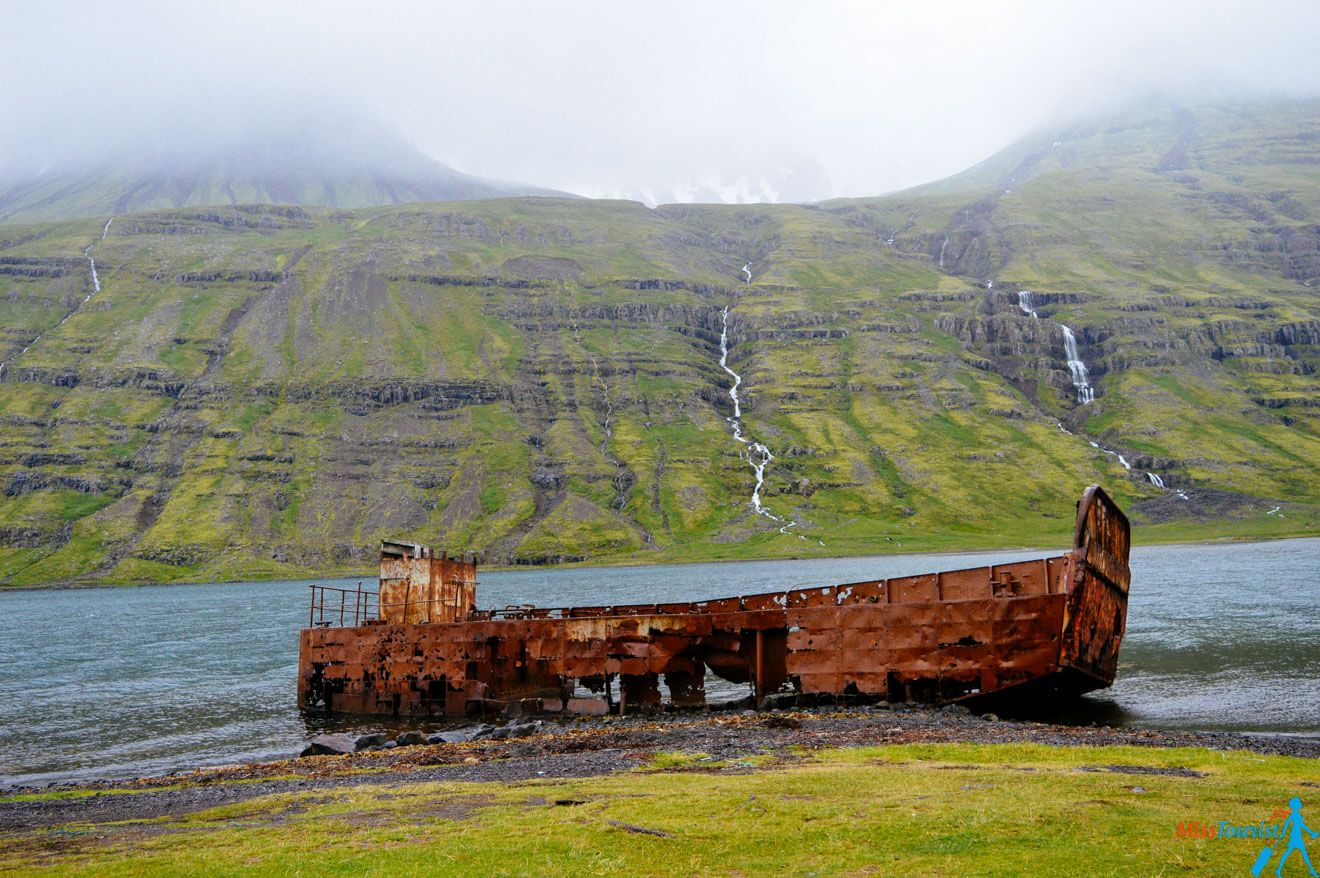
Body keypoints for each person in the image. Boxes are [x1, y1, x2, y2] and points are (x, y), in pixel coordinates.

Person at [1277, 798, 1319, 878]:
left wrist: (1311, 832)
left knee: (1299, 853)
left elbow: (1302, 825)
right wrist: (1283, 832)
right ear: (1296, 805)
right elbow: (1287, 823)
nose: (1301, 804)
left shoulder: (1297, 815)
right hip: (1295, 837)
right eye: (1299, 803)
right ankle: (1279, 869)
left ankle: (1311, 870)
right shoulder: (1294, 815)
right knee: (1292, 853)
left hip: (1297, 836)